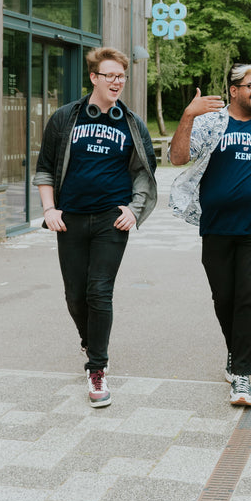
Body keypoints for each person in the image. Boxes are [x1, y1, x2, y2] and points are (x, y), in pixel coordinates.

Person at [33, 47, 157, 409]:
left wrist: (134, 210)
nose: (117, 82)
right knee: (75, 295)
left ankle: (97, 368)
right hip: (69, 219)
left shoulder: (130, 123)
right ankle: (91, 342)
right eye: (110, 76)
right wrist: (49, 209)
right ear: (94, 78)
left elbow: (144, 171)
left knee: (99, 291)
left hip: (109, 220)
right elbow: (44, 169)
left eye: (121, 76)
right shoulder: (65, 118)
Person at [169, 63, 251, 407]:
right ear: (234, 90)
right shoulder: (210, 122)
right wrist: (188, 116)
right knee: (223, 297)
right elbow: (178, 157)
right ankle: (234, 352)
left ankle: (242, 376)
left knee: (248, 297)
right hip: (217, 226)